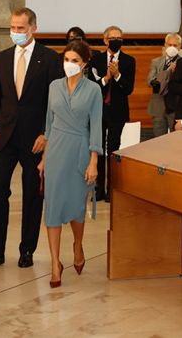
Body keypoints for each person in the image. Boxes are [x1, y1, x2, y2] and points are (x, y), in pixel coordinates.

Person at [0, 7, 62, 272]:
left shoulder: (49, 59)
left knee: (32, 195)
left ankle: (27, 249)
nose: (15, 32)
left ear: (33, 28)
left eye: (21, 28)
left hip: (34, 138)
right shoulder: (2, 59)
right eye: (12, 27)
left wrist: (46, 134)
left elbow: (54, 102)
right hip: (5, 136)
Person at [37, 40, 102, 288]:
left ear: (84, 63)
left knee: (75, 207)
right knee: (52, 208)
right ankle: (55, 263)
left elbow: (95, 127)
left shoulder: (93, 90)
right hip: (55, 151)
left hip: (79, 151)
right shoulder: (54, 86)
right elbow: (48, 124)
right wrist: (43, 158)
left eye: (75, 60)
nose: (69, 64)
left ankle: (77, 245)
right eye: (67, 59)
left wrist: (93, 161)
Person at [89, 26, 135, 202]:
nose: (117, 40)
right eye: (113, 37)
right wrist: (107, 77)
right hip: (98, 111)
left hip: (118, 112)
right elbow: (92, 87)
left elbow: (128, 89)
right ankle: (98, 188)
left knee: (113, 148)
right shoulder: (96, 60)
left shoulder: (129, 61)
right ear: (105, 40)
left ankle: (112, 189)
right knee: (98, 148)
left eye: (120, 38)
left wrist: (117, 75)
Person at [147, 33, 181, 136]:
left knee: (176, 139)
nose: (172, 47)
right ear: (165, 45)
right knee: (158, 140)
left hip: (175, 106)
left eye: (175, 45)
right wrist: (166, 72)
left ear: (180, 47)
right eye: (169, 44)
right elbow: (150, 81)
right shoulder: (156, 62)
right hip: (158, 106)